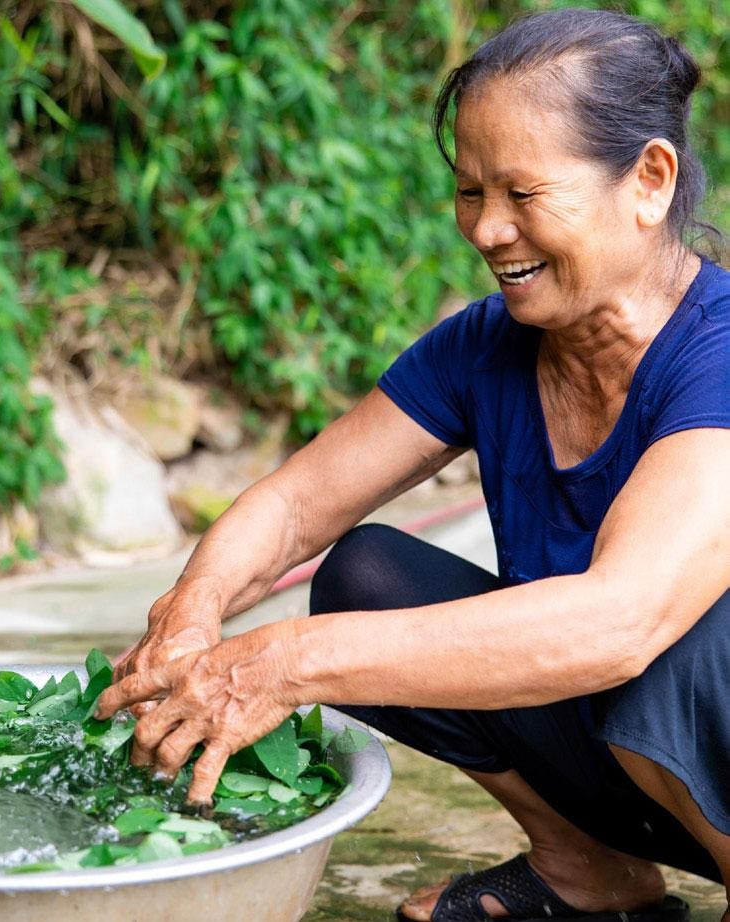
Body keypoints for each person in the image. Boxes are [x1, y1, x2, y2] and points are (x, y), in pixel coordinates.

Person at [95, 8, 730, 921]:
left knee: (677, 649)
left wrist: (286, 663)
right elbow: (295, 506)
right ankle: (586, 867)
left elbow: (621, 620)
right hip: (622, 757)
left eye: (523, 193)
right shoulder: (487, 347)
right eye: (471, 191)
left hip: (691, 730)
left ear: (649, 180)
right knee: (366, 579)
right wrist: (192, 608)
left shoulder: (717, 352)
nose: (488, 229)